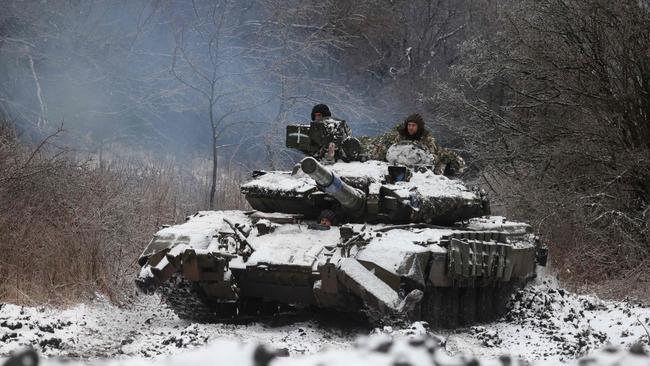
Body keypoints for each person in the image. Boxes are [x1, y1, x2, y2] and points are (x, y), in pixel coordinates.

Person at [361, 113, 465, 176]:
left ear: (419, 127)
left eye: (413, 125)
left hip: (418, 171)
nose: (410, 127)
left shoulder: (427, 140)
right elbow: (383, 149)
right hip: (396, 167)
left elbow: (433, 156)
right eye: (409, 125)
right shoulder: (398, 136)